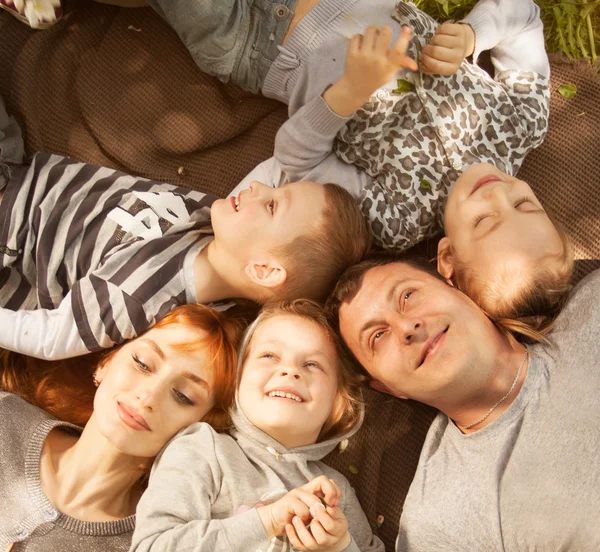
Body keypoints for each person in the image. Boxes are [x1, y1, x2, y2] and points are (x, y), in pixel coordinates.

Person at [149, 0, 573, 338]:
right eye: (523, 202)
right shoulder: (522, 123)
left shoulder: (398, 218)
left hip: (257, 41)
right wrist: (474, 34)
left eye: (483, 220)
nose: (496, 192)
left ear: (447, 255)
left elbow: (297, 160)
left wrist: (350, 91)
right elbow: (524, 16)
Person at [326, 253, 600, 552]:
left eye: (408, 296)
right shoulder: (440, 531)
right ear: (387, 388)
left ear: (456, 286)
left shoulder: (594, 305)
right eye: (377, 337)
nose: (407, 327)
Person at [127, 299, 394, 552]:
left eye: (312, 364)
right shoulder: (202, 449)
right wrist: (267, 519)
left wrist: (338, 549)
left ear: (338, 403)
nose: (290, 371)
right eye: (269, 355)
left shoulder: (334, 490)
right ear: (238, 381)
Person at [0, 146, 370, 359]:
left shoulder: (143, 294)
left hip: (10, 231)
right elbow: (287, 159)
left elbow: (49, 339)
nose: (259, 186)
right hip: (19, 166)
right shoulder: (219, 228)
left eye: (272, 205)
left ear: (262, 269)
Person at [0, 302, 242, 552]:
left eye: (183, 396)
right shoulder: (5, 416)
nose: (148, 396)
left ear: (202, 428)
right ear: (107, 362)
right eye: (143, 363)